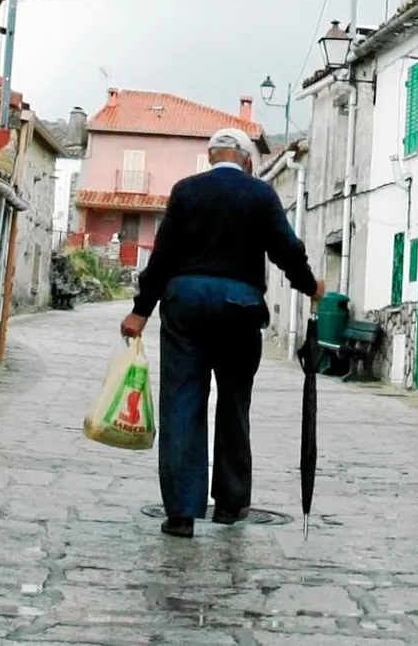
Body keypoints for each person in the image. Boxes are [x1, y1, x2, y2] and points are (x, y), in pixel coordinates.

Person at [121, 126, 321, 538]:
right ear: (247, 160)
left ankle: (181, 513)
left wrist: (141, 311)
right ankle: (230, 505)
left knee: (181, 403)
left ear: (211, 157)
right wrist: (309, 285)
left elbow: (162, 257)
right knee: (233, 402)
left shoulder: (185, 192)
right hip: (239, 308)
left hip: (185, 303)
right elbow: (287, 249)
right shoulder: (260, 194)